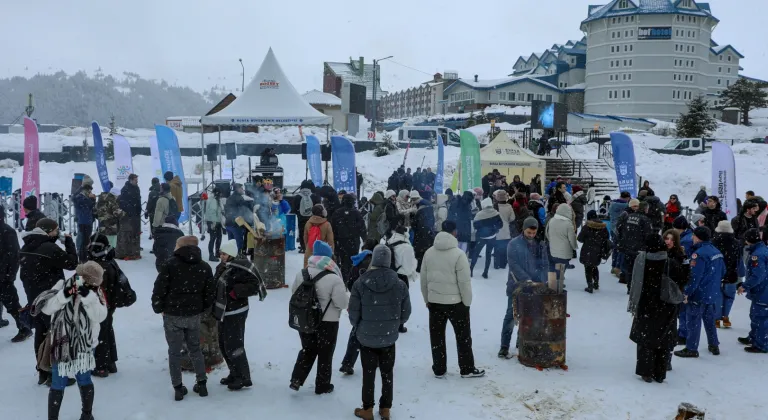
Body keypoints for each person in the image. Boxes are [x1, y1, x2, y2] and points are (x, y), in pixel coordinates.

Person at [38, 261, 107, 420]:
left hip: (86, 345)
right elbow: (47, 308)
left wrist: (89, 298)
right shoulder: (62, 284)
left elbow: (100, 316)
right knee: (58, 381)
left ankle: (87, 415)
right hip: (61, 343)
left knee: (84, 379)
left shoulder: (96, 292)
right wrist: (65, 294)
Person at [349, 244, 411, 420]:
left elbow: (353, 313)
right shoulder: (399, 284)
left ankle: (367, 409)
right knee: (387, 373)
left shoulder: (360, 283)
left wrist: (360, 326)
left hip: (366, 337)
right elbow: (406, 312)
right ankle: (385, 408)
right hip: (389, 337)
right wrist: (394, 323)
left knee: (368, 373)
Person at [151, 235, 215, 401]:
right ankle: (202, 383)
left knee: (174, 352)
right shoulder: (204, 267)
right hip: (193, 315)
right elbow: (210, 293)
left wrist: (159, 308)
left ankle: (178, 388)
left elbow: (159, 289)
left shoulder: (170, 265)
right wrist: (201, 308)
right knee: (195, 349)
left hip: (172, 315)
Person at [420, 221, 485, 379]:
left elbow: (423, 279)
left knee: (437, 336)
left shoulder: (429, 252)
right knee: (463, 336)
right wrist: (467, 302)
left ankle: (439, 368)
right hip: (456, 303)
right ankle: (467, 368)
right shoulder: (458, 254)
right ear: (454, 232)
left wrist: (427, 299)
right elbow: (464, 282)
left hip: (435, 302)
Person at [20, 218, 79, 385]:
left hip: (34, 297)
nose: (57, 233)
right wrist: (69, 243)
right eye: (56, 230)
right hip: (51, 297)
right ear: (49, 231)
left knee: (41, 332)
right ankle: (55, 374)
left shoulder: (27, 245)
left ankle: (42, 371)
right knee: (56, 335)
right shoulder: (50, 247)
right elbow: (72, 263)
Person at [289, 240, 348, 394]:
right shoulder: (334, 278)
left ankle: (297, 378)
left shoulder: (302, 273)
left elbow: (294, 292)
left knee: (308, 349)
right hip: (328, 322)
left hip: (306, 318)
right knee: (325, 354)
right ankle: (322, 385)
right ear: (329, 257)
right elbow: (342, 303)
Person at [628, 235, 682, 384]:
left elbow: (634, 283)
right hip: (667, 306)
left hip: (647, 306)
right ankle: (660, 372)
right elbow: (682, 281)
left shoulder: (642, 262)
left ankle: (646, 371)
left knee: (646, 340)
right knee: (663, 340)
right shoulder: (671, 263)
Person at [214, 239, 267, 390]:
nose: (222, 256)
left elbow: (254, 286)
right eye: (221, 254)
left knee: (234, 345)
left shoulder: (241, 267)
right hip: (224, 311)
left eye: (224, 254)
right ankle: (234, 372)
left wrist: (235, 292)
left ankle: (243, 377)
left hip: (236, 311)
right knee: (224, 344)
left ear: (230, 254)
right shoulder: (223, 266)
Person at [675, 226, 725, 358]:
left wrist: (686, 292)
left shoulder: (699, 254)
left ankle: (691, 348)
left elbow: (694, 277)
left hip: (699, 293)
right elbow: (723, 271)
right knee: (709, 320)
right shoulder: (716, 251)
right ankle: (714, 344)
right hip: (712, 292)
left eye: (693, 235)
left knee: (693, 321)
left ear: (698, 237)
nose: (692, 237)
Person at [501, 218, 548, 358]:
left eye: (534, 233)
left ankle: (521, 341)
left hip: (535, 287)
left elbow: (544, 263)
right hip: (516, 286)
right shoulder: (513, 244)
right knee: (511, 315)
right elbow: (513, 264)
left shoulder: (540, 244)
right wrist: (526, 279)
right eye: (529, 232)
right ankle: (504, 346)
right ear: (523, 229)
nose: (531, 235)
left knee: (529, 315)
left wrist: (541, 279)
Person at [339, 239, 377, 375]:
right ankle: (375, 360)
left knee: (356, 332)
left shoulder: (357, 262)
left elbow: (349, 282)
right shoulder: (377, 263)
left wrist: (356, 295)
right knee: (378, 330)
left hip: (359, 303)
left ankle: (348, 362)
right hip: (376, 303)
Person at [86, 233, 122, 377]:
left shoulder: (96, 266)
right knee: (107, 330)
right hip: (110, 304)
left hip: (99, 305)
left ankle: (101, 366)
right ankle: (111, 362)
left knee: (99, 333)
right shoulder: (110, 260)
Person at [0, 203, 30, 343]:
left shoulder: (7, 231)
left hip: (3, 275)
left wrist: (9, 276)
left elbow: (14, 256)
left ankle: (25, 328)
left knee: (12, 304)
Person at [664, 228, 691, 369]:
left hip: (673, 296)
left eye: (671, 239)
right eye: (666, 238)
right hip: (661, 296)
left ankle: (667, 357)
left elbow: (686, 276)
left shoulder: (681, 256)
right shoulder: (659, 253)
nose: (668, 242)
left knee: (671, 326)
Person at [738, 229, 768, 353]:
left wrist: (745, 286)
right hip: (762, 291)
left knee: (760, 317)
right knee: (755, 315)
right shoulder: (761, 250)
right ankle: (754, 337)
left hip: (763, 291)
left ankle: (761, 344)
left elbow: (757, 275)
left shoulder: (758, 255)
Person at [712, 221, 745, 329]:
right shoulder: (736, 243)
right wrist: (741, 273)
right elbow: (739, 260)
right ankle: (725, 317)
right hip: (732, 274)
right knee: (729, 296)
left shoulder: (713, 242)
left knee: (717, 296)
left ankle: (716, 318)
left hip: (716, 274)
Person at [387, 224, 417, 333]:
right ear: (406, 233)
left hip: (389, 275)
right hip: (401, 277)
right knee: (402, 302)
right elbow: (409, 268)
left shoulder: (388, 241)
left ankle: (387, 322)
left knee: (388, 300)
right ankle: (399, 325)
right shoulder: (406, 247)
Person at [617, 200, 653, 292]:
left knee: (629, 268)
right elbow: (648, 236)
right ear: (645, 209)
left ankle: (629, 286)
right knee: (638, 269)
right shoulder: (645, 220)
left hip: (628, 247)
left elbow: (620, 228)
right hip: (639, 248)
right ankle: (635, 288)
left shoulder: (629, 216)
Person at [331, 194, 367, 285]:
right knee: (353, 260)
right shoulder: (356, 213)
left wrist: (334, 241)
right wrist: (365, 239)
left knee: (343, 261)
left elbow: (333, 228)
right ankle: (351, 280)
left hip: (341, 241)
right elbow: (362, 228)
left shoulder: (337, 212)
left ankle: (343, 280)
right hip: (353, 241)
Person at [546, 204, 578, 291]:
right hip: (564, 252)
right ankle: (559, 286)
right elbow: (572, 239)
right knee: (561, 269)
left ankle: (552, 284)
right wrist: (574, 247)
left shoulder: (552, 220)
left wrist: (553, 242)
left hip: (552, 250)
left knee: (552, 267)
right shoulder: (568, 224)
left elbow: (547, 234)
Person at [578, 210, 611, 293]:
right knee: (594, 267)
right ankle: (596, 283)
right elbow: (607, 238)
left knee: (587, 268)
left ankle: (590, 286)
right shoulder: (603, 227)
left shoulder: (586, 227)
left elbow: (580, 239)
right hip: (598, 251)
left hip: (587, 250)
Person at [469, 198, 502, 279]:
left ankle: (471, 270)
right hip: (492, 237)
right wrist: (494, 229)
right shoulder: (496, 213)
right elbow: (500, 225)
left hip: (481, 237)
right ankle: (485, 272)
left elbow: (475, 225)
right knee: (488, 254)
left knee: (476, 253)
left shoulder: (479, 214)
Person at [116, 174, 142, 260]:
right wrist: (130, 210)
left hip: (136, 215)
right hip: (128, 215)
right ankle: (126, 253)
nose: (137, 181)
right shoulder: (125, 189)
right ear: (131, 180)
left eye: (137, 179)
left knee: (136, 234)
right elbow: (123, 202)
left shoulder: (137, 188)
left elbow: (138, 200)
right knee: (127, 234)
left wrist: (138, 210)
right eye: (135, 179)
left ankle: (135, 252)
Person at [224, 183, 255, 254]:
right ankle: (239, 259)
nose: (242, 190)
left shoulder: (229, 198)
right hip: (236, 224)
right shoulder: (239, 198)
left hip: (229, 224)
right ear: (237, 189)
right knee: (239, 245)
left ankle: (231, 259)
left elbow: (226, 210)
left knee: (231, 244)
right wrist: (252, 206)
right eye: (241, 188)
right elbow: (245, 209)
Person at [72, 181, 97, 263]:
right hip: (83, 221)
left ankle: (83, 256)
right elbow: (87, 206)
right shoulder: (80, 197)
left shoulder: (83, 197)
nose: (90, 192)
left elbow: (90, 207)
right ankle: (82, 257)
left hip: (87, 221)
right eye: (89, 191)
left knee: (86, 239)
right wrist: (91, 199)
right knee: (83, 240)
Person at [608, 192, 631, 276]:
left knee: (615, 248)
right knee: (621, 249)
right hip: (620, 229)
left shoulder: (613, 203)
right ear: (627, 198)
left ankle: (613, 266)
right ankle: (618, 267)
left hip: (613, 228)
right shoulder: (624, 206)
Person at [95, 182, 122, 248]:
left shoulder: (101, 200)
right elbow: (117, 213)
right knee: (111, 244)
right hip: (111, 227)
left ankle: (102, 255)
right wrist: (123, 213)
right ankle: (109, 256)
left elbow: (95, 211)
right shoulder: (113, 202)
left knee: (103, 243)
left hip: (102, 226)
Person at [493, 190, 515, 269]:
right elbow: (512, 218)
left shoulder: (495, 206)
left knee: (496, 247)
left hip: (496, 230)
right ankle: (503, 264)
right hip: (506, 230)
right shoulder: (509, 206)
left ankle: (496, 264)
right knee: (505, 248)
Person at [413, 198, 435, 272]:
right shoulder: (431, 212)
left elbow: (414, 224)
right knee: (427, 251)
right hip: (429, 235)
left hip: (420, 235)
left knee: (419, 251)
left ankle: (419, 267)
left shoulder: (420, 212)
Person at [204, 187, 225, 262]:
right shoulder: (213, 200)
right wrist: (213, 223)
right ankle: (211, 255)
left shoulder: (216, 199)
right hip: (213, 221)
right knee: (213, 238)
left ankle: (217, 252)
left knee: (219, 237)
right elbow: (212, 212)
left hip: (217, 221)